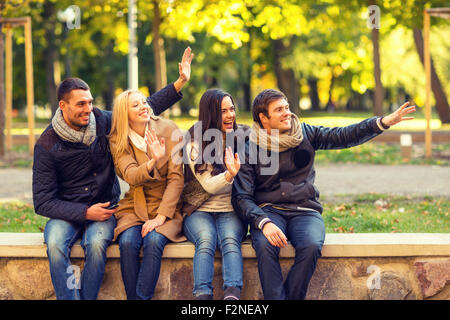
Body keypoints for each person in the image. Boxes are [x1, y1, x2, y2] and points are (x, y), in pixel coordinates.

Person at [32, 47, 193, 300]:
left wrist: (179, 83)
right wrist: (84, 212)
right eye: (80, 104)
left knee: (96, 245)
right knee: (54, 244)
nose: (88, 109)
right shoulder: (46, 144)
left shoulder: (102, 121)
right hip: (66, 211)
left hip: (105, 208)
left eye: (90, 102)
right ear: (62, 106)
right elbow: (42, 201)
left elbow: (144, 108)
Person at [231, 88, 415, 300]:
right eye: (279, 110)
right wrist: (263, 222)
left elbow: (343, 135)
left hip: (305, 210)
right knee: (264, 245)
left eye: (287, 107)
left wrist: (381, 123)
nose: (287, 113)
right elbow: (241, 197)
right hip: (269, 212)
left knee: (310, 245)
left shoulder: (306, 133)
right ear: (264, 118)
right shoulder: (249, 148)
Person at [109, 86, 188, 300]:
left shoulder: (169, 129)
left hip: (167, 204)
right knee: (127, 243)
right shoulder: (118, 139)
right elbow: (131, 175)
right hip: (136, 205)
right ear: (124, 114)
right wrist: (153, 160)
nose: (144, 106)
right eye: (135, 105)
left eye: (144, 102)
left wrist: (161, 217)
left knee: (153, 241)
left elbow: (176, 178)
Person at [181, 89, 249, 300]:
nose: (230, 115)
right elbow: (208, 185)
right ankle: (202, 296)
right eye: (222, 111)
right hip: (199, 209)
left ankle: (232, 295)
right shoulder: (193, 141)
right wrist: (230, 174)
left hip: (230, 208)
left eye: (232, 109)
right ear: (210, 114)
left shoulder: (244, 137)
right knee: (206, 239)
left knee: (229, 240)